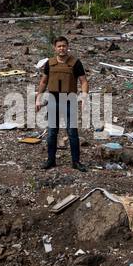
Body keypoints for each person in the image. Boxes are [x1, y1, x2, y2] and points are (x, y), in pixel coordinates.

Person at [35, 36, 88, 171]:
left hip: (70, 100)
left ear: (67, 46)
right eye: (59, 46)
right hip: (53, 101)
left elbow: (84, 81)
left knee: (72, 133)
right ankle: (51, 160)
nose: (62, 48)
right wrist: (38, 99)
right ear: (55, 48)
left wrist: (84, 97)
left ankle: (76, 162)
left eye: (64, 46)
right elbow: (44, 82)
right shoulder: (50, 63)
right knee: (52, 132)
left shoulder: (75, 63)